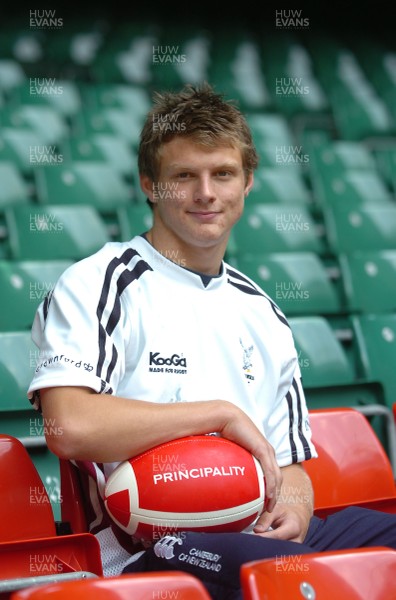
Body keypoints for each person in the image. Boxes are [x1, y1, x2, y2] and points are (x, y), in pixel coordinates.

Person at [28, 84, 396, 599]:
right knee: (285, 569)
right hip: (147, 548)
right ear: (150, 185)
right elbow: (67, 425)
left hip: (259, 535)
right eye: (184, 176)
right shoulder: (99, 283)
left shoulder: (263, 312)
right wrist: (217, 414)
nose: (206, 192)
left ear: (247, 183)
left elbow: (289, 466)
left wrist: (294, 508)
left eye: (222, 173)